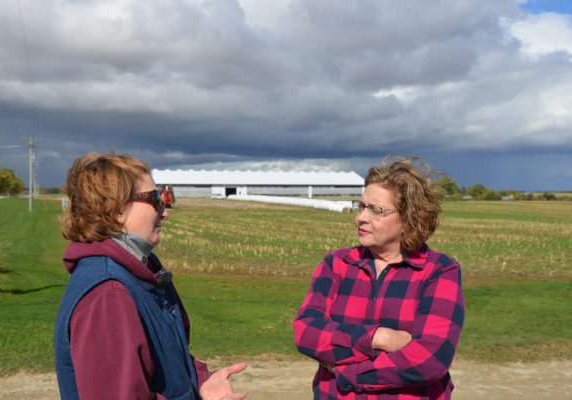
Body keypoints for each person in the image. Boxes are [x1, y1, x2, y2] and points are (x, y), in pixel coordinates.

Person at [54, 152, 247, 400]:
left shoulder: (143, 270)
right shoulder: (108, 295)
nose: (164, 212)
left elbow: (165, 358)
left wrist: (200, 381)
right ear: (116, 210)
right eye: (154, 199)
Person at [294, 157, 465, 399]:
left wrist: (348, 375)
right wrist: (379, 337)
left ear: (409, 218)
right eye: (361, 206)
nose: (361, 218)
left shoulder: (438, 271)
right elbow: (306, 331)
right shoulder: (337, 264)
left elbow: (431, 359)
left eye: (376, 210)